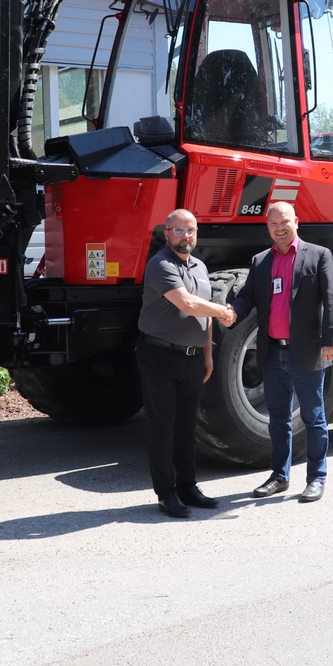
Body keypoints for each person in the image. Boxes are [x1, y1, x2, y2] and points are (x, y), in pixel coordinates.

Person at [227, 201, 333, 503]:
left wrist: (331, 341)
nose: (280, 228)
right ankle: (280, 476)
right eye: (274, 224)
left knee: (313, 417)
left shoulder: (318, 255)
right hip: (273, 352)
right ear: (267, 227)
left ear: (297, 222)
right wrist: (231, 312)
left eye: (285, 222)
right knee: (278, 419)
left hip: (305, 351)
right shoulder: (261, 260)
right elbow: (247, 297)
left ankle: (317, 477)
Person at [137, 208, 236, 517]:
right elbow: (188, 303)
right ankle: (166, 493)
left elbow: (201, 316)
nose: (185, 237)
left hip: (192, 358)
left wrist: (207, 355)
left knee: (186, 426)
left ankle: (188, 486)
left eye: (190, 230)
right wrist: (224, 311)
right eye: (178, 231)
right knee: (163, 426)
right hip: (159, 356)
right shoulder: (160, 264)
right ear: (167, 234)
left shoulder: (201, 267)